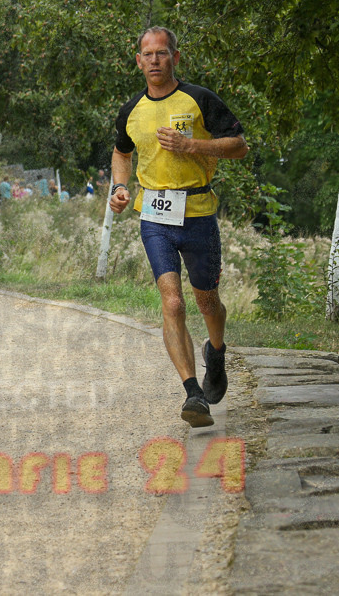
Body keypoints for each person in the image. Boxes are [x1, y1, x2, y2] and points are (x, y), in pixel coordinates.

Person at [109, 26, 247, 428]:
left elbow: (239, 145)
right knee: (172, 302)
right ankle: (193, 394)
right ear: (138, 61)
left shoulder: (199, 99)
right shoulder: (131, 110)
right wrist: (119, 187)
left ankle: (215, 353)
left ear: (175, 57)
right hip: (154, 215)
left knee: (207, 301)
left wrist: (194, 146)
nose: (154, 60)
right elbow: (121, 153)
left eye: (162, 53)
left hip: (198, 212)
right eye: (147, 55)